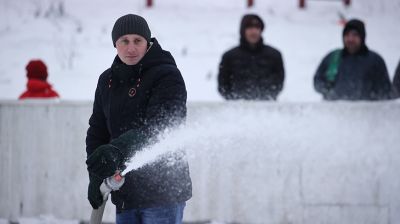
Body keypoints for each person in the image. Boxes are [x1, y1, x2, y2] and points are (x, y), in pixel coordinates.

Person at [85, 14, 192, 224]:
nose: (131, 48)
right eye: (124, 41)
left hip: (163, 194)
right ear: (115, 44)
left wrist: (117, 150)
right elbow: (97, 130)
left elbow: (162, 127)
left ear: (148, 42)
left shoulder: (167, 75)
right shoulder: (107, 81)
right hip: (125, 193)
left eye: (137, 41)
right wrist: (96, 173)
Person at [314, 19, 392, 101]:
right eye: (347, 35)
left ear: (362, 37)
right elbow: (318, 80)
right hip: (334, 111)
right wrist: (328, 91)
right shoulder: (333, 57)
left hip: (367, 111)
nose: (350, 39)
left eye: (355, 35)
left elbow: (385, 90)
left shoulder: (375, 60)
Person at [217, 14, 285, 100]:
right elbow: (223, 85)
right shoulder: (229, 56)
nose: (254, 32)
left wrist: (266, 98)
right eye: (250, 28)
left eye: (257, 28)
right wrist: (235, 101)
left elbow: (278, 83)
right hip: (236, 109)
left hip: (267, 109)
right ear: (242, 31)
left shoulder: (274, 55)